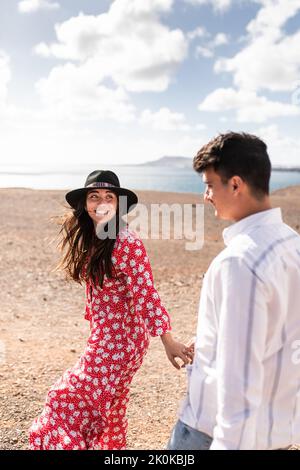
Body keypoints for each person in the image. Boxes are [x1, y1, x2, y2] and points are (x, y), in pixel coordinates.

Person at [29, 169, 191, 450]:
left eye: (109, 197)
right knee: (111, 407)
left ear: (117, 204)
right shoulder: (97, 238)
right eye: (94, 196)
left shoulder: (126, 242)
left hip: (119, 344)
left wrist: (168, 340)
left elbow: (146, 292)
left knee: (63, 400)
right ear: (86, 204)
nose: (101, 202)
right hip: (109, 339)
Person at [167, 132, 300, 450]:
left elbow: (238, 384)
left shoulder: (240, 263)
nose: (206, 195)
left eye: (210, 184)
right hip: (275, 433)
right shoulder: (292, 245)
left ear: (236, 184)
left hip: (211, 434)